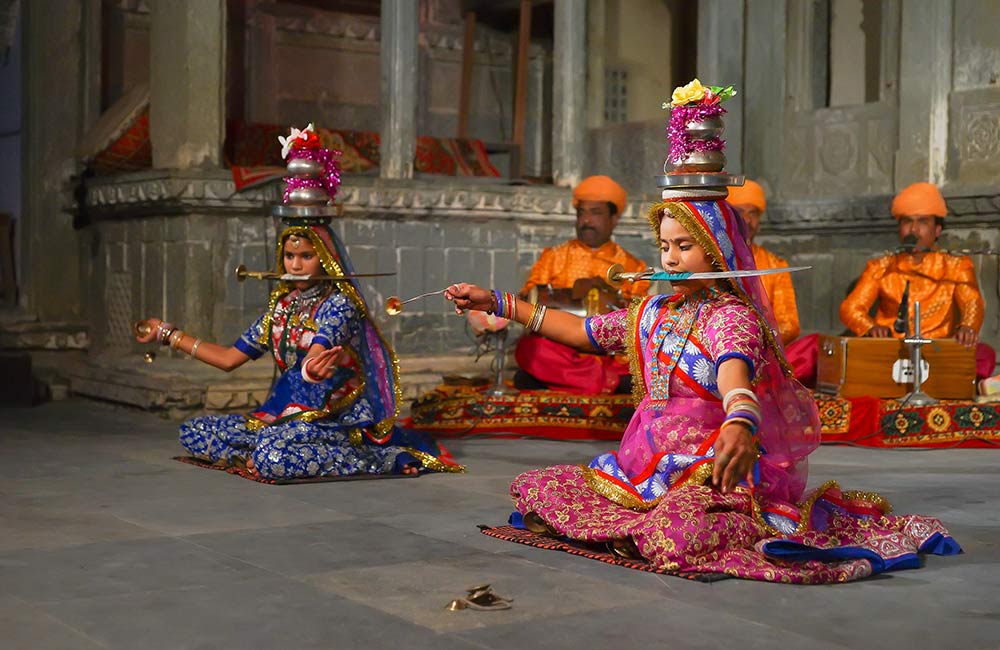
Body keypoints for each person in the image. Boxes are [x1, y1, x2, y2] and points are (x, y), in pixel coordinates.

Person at [446, 195, 959, 583]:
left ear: (715, 249)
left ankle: (680, 528)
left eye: (684, 246)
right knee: (535, 489)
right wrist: (496, 302)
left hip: (710, 474)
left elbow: (734, 373)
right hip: (641, 471)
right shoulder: (652, 310)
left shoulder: (731, 317)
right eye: (665, 246)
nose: (670, 259)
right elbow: (582, 333)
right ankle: (635, 527)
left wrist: (740, 421)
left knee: (676, 536)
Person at [137, 222, 462, 481]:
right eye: (290, 257)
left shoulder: (341, 305)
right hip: (283, 412)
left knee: (272, 456)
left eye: (306, 256)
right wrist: (168, 334)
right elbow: (228, 359)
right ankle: (251, 455)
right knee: (194, 431)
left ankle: (378, 457)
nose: (296, 264)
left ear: (324, 258)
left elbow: (320, 347)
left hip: (334, 414)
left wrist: (310, 371)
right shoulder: (282, 307)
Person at [840, 182, 995, 379]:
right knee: (844, 354)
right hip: (893, 352)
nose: (913, 230)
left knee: (984, 355)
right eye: (907, 222)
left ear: (937, 230)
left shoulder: (956, 265)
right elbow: (850, 308)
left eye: (922, 222)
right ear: (899, 228)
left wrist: (967, 327)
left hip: (937, 351)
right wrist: (870, 327)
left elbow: (972, 302)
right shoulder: (881, 266)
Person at [515, 175, 650, 394]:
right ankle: (609, 382)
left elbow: (636, 320)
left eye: (595, 213)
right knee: (531, 349)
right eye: (581, 213)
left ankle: (574, 380)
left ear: (614, 218)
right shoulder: (553, 257)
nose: (586, 220)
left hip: (609, 352)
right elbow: (529, 302)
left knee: (645, 357)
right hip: (561, 347)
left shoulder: (632, 266)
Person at [727, 179, 800, 344]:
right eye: (740, 212)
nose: (746, 220)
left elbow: (790, 324)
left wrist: (757, 336)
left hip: (764, 350)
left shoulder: (776, 265)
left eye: (753, 213)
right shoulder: (711, 260)